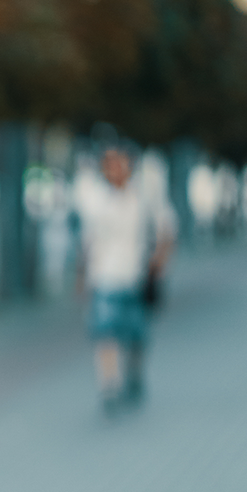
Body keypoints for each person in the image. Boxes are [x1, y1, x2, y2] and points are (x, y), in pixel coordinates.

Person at [75, 146, 176, 414]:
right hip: (104, 277)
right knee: (105, 332)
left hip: (136, 277)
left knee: (136, 336)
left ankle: (133, 376)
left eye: (120, 164)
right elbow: (87, 241)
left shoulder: (145, 196)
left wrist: (158, 262)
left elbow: (166, 230)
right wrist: (81, 276)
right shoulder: (97, 199)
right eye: (109, 164)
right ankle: (109, 384)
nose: (115, 169)